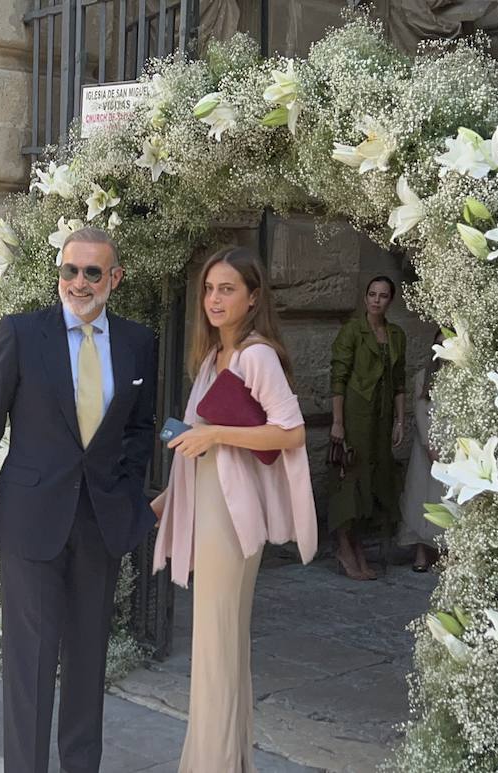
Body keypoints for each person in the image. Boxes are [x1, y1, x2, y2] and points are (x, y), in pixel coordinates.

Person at [0, 227, 157, 773]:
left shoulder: (139, 342)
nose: (80, 282)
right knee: (31, 663)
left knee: (89, 661)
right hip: (31, 521)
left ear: (114, 278)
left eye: (93, 272)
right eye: (71, 270)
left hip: (100, 523)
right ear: (59, 274)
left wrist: (127, 493)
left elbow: (140, 431)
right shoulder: (22, 333)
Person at [151, 247, 316, 772]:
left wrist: (215, 433)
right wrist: (169, 497)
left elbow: (291, 432)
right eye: (209, 289)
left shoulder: (256, 355)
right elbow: (198, 444)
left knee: (216, 645)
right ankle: (226, 762)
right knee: (219, 646)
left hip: (229, 514)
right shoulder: (210, 360)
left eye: (227, 289)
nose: (214, 299)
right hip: (206, 504)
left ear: (253, 297)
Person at [327, 276, 406, 581]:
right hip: (356, 414)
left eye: (383, 296)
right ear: (365, 298)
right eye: (372, 294)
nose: (376, 300)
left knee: (376, 478)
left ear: (390, 300)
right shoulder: (352, 331)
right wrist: (337, 421)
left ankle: (357, 543)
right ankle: (344, 545)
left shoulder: (397, 335)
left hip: (383, 416)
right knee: (351, 477)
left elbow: (399, 381)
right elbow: (338, 377)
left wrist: (400, 421)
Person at [397, 330, 446, 572]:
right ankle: (420, 551)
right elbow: (420, 412)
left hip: (452, 446)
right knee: (421, 497)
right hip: (426, 446)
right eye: (439, 345)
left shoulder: (462, 378)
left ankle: (443, 551)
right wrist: (429, 446)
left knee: (444, 500)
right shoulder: (423, 377)